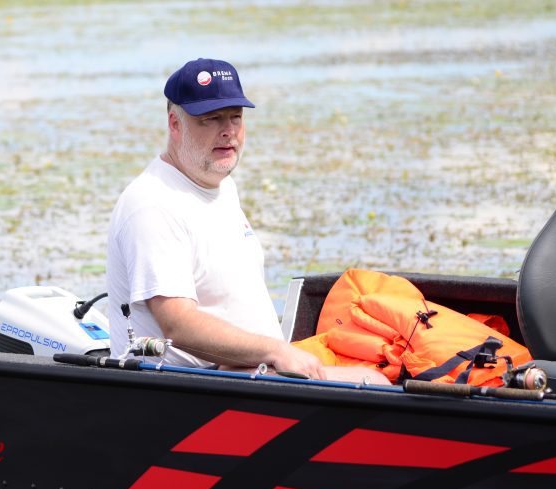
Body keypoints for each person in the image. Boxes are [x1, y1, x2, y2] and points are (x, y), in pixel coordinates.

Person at [106, 58, 387, 384]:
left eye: (235, 117)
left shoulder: (221, 186)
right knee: (376, 383)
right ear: (175, 124)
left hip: (255, 370)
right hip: (196, 386)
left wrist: (278, 352)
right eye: (211, 119)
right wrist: (276, 351)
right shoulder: (152, 205)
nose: (228, 131)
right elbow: (177, 324)